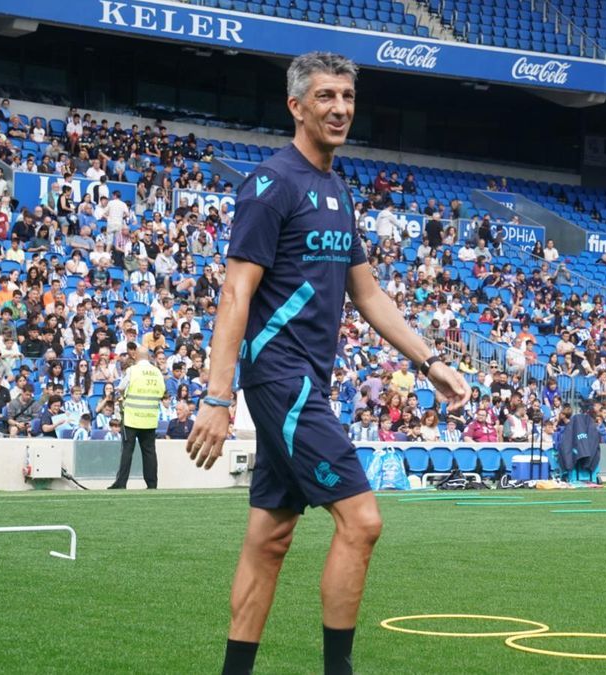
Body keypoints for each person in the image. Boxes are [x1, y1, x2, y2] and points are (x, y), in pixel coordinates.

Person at [183, 53, 469, 675]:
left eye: (347, 96)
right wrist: (216, 395)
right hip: (278, 375)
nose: (340, 108)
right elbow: (236, 292)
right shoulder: (270, 184)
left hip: (308, 380)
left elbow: (367, 293)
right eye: (325, 97)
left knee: (271, 535)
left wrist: (431, 361)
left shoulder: (337, 190)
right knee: (362, 520)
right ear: (296, 106)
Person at [109, 342, 164, 489]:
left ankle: (121, 483)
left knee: (127, 451)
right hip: (150, 419)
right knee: (150, 453)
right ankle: (152, 484)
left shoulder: (132, 370)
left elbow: (121, 387)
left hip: (132, 418)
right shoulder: (157, 372)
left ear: (136, 356)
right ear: (149, 357)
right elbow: (162, 391)